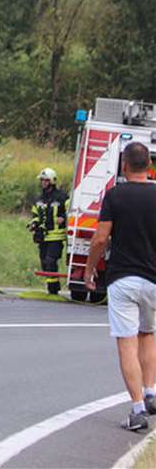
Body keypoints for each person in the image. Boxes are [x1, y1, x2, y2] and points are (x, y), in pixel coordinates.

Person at [83, 142, 156, 431]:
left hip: (123, 278)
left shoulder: (114, 195)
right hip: (154, 280)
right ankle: (151, 391)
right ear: (149, 167)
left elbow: (101, 239)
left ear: (124, 166)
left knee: (126, 341)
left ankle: (137, 409)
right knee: (148, 333)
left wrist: (89, 270)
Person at [28, 168, 69, 295]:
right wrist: (34, 224)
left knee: (51, 261)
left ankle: (53, 290)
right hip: (43, 237)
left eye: (46, 180)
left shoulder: (62, 197)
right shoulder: (38, 199)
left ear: (52, 181)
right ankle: (52, 286)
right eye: (42, 180)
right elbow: (35, 214)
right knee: (44, 262)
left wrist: (64, 217)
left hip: (56, 237)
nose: (43, 183)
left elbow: (71, 212)